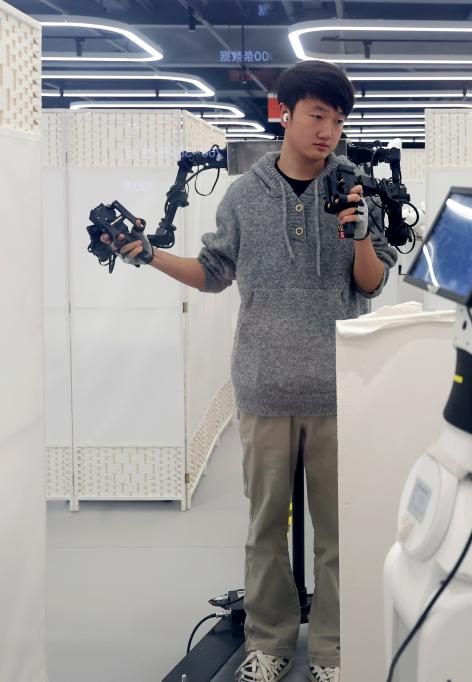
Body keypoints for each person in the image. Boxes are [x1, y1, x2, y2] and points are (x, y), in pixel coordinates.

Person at [101, 60, 398, 682]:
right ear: (284, 114)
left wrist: (360, 235)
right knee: (265, 528)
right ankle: (268, 640)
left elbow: (370, 284)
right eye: (317, 116)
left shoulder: (356, 190)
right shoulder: (243, 196)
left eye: (338, 120)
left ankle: (334, 648)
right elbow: (213, 274)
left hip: (340, 389)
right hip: (264, 386)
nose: (328, 131)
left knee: (338, 533)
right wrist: (151, 255)